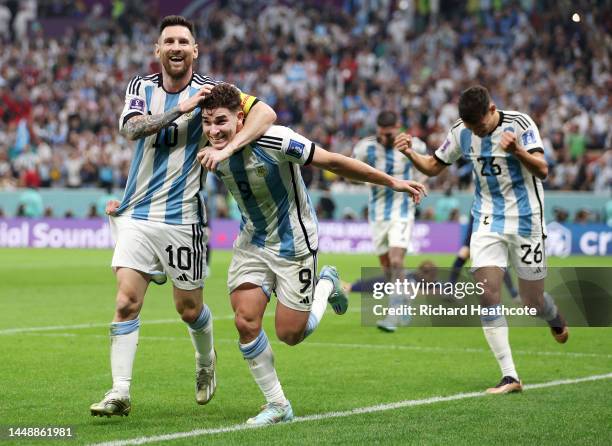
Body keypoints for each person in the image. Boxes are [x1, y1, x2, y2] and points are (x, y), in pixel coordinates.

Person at [196, 84, 426, 425]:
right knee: (246, 321)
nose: (214, 130)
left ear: (240, 119)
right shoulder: (205, 149)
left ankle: (325, 286)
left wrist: (392, 182)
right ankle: (278, 405)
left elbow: (333, 161)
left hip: (295, 244)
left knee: (291, 334)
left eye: (221, 122)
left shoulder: (276, 140)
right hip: (252, 241)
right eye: (207, 123)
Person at [89, 15, 277, 418]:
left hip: (183, 217)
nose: (176, 47)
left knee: (189, 309)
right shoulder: (140, 87)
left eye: (183, 41)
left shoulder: (213, 92)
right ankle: (119, 391)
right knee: (125, 302)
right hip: (137, 211)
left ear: (195, 51)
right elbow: (133, 129)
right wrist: (182, 110)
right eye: (168, 41)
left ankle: (206, 362)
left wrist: (227, 148)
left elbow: (265, 115)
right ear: (157, 50)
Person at [397, 85, 568, 394]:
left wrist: (517, 150)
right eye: (470, 127)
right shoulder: (463, 131)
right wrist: (410, 153)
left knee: (532, 302)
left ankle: (553, 316)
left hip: (527, 221)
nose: (476, 131)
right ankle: (510, 375)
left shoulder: (521, 123)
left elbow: (543, 170)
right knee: (487, 293)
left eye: (480, 125)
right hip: (487, 219)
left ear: (492, 109)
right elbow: (434, 167)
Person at [352, 111, 428, 332]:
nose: (386, 138)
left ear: (399, 127)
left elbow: (427, 166)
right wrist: (363, 180)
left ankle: (393, 314)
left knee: (396, 261)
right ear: (377, 130)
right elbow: (352, 173)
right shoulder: (365, 148)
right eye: (382, 134)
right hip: (377, 213)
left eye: (390, 134)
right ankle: (406, 292)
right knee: (387, 266)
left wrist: (419, 182)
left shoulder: (415, 145)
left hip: (402, 210)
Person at [449, 213, 519, 302]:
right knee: (497, 259)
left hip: (479, 228)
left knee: (465, 255)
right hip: (481, 229)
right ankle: (513, 293)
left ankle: (449, 288)